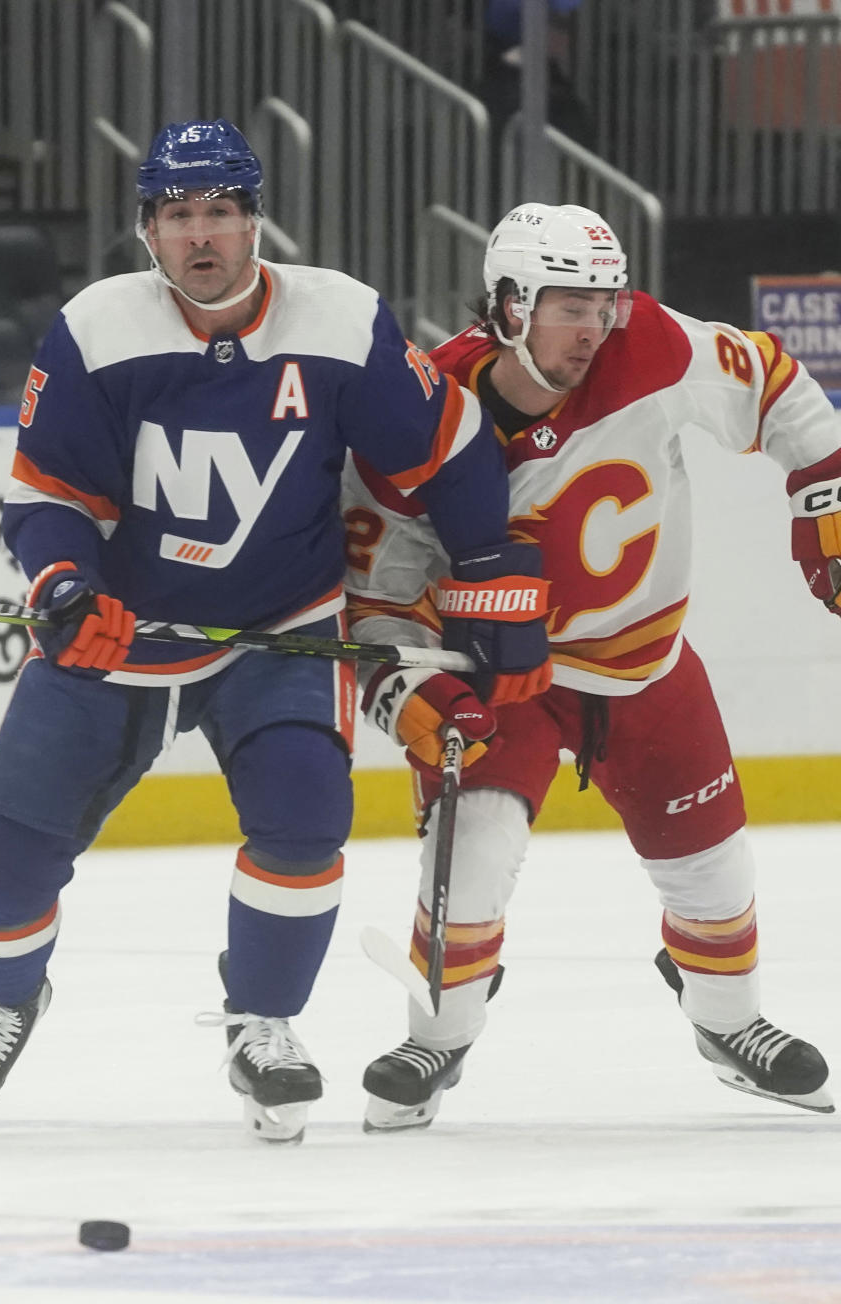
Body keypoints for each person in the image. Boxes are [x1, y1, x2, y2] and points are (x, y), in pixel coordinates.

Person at [0, 121, 550, 1144]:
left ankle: (265, 1025)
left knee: (305, 823)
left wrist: (487, 571)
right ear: (147, 233)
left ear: (256, 219)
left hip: (279, 631)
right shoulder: (96, 328)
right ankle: (5, 999)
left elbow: (448, 452)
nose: (201, 235)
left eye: (220, 211)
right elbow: (45, 499)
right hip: (121, 639)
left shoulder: (339, 320)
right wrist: (66, 584)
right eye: (178, 217)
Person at [344, 201, 837, 1131]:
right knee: (473, 859)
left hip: (648, 665)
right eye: (573, 305)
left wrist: (824, 489)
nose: (598, 326)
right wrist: (417, 691)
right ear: (507, 304)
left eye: (606, 302)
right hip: (506, 685)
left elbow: (772, 383)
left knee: (714, 872)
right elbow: (377, 602)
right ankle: (439, 1033)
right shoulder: (420, 415)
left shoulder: (649, 341)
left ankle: (727, 1023)